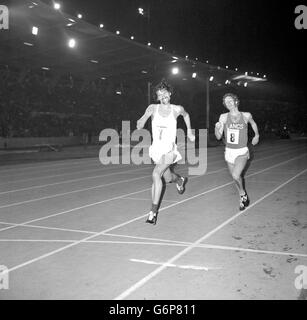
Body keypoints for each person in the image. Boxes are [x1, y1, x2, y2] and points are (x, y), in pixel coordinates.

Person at [136, 79, 195, 225]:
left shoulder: (177, 109)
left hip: (170, 150)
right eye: (159, 95)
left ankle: (153, 212)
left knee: (156, 174)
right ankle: (180, 180)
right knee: (167, 178)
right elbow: (140, 122)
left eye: (165, 93)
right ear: (157, 97)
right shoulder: (153, 108)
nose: (162, 96)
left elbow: (186, 115)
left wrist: (189, 131)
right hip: (156, 150)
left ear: (170, 93)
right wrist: (141, 121)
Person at [215, 93, 259, 211]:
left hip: (242, 151)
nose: (228, 103)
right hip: (229, 151)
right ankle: (242, 195)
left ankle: (242, 194)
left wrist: (257, 135)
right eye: (226, 102)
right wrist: (216, 127)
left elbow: (253, 123)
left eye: (230, 100)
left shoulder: (245, 115)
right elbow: (218, 136)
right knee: (236, 178)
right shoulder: (223, 117)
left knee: (235, 174)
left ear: (235, 101)